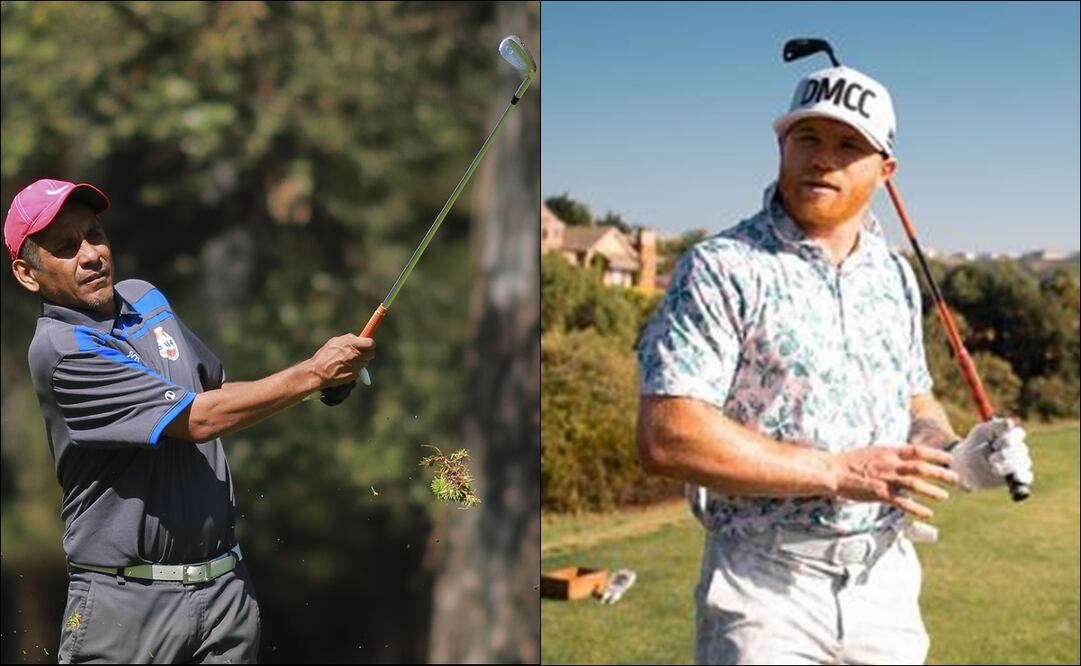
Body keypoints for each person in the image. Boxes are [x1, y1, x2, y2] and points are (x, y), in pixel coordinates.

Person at [636, 61, 1034, 665]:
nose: (823, 158)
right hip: (766, 587)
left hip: (886, 585)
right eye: (808, 139)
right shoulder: (722, 266)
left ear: (885, 170)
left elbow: (913, 403)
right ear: (782, 146)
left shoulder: (893, 276)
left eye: (848, 144)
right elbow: (669, 436)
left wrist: (957, 453)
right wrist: (839, 472)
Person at [5, 178, 375, 663]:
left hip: (223, 593)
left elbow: (215, 393)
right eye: (66, 247)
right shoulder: (62, 353)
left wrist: (316, 382)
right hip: (126, 607)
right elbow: (197, 419)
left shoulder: (145, 298)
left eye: (95, 234)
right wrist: (310, 373)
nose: (92, 254)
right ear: (28, 274)